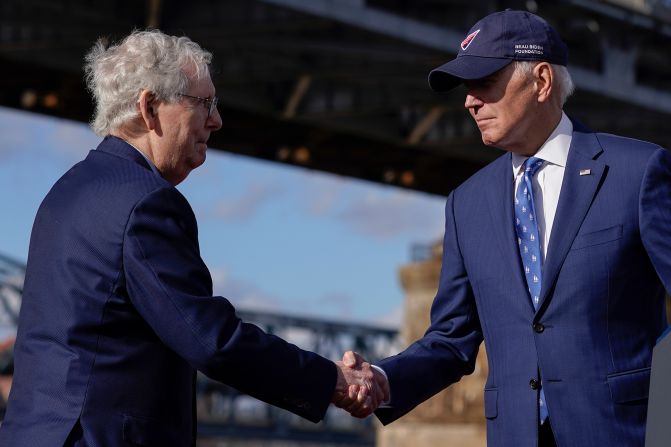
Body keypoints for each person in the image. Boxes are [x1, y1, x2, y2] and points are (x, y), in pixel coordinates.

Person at [0, 30, 385, 446]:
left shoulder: (64, 193)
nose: (217, 120)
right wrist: (332, 380)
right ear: (149, 107)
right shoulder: (146, 203)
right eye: (204, 103)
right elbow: (211, 341)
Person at [344, 9, 671, 447]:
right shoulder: (467, 204)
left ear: (541, 80)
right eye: (466, 88)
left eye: (484, 83)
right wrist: (383, 378)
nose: (469, 101)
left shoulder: (638, 172)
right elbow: (451, 340)